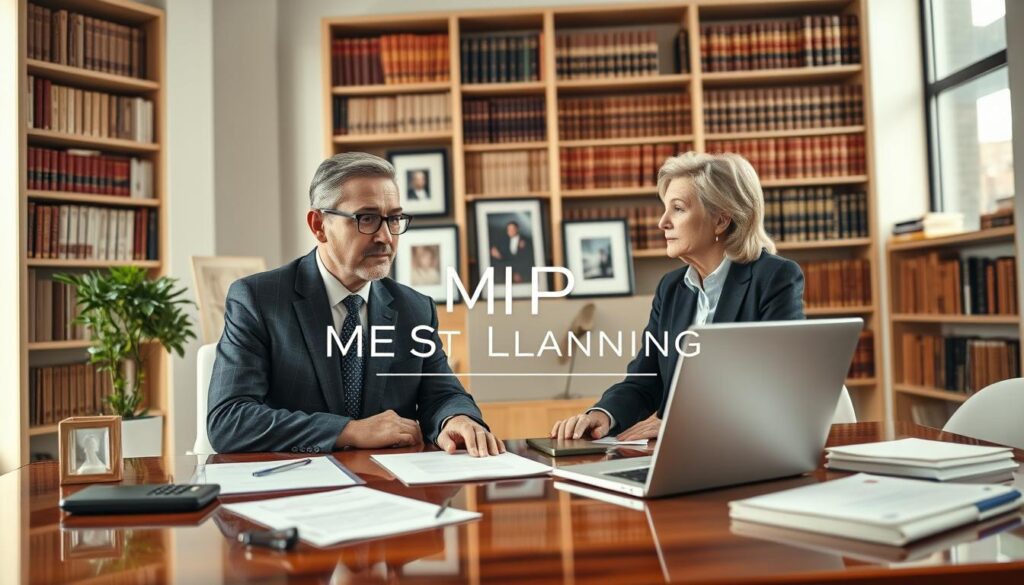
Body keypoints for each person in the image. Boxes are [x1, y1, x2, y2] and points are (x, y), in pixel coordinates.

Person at [208, 152, 504, 457]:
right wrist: (349, 430)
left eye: (394, 219)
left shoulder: (415, 310)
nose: (386, 237)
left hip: (390, 487)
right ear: (319, 225)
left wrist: (455, 418)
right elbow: (229, 420)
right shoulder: (258, 300)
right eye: (367, 218)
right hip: (295, 491)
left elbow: (442, 395)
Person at [550, 152, 805, 442]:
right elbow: (646, 381)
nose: (662, 222)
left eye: (678, 209)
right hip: (677, 453)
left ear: (721, 220)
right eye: (664, 209)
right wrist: (601, 415)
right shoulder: (670, 288)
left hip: (748, 447)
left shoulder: (774, 278)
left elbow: (778, 387)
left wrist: (686, 426)